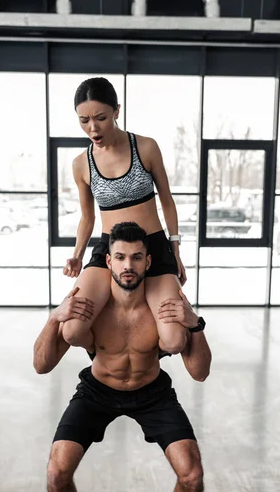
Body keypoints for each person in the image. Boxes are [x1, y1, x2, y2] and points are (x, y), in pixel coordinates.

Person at [34, 222, 212, 492]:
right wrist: (56, 315)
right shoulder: (91, 308)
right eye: (119, 257)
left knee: (192, 474)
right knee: (56, 472)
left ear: (148, 262)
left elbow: (200, 372)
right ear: (108, 263)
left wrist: (196, 324)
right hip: (98, 389)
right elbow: (41, 364)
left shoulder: (163, 306)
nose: (127, 265)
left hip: (152, 391)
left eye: (135, 257)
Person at [61, 76, 188, 356]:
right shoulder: (81, 164)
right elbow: (87, 217)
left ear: (116, 111)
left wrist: (175, 250)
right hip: (110, 248)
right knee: (71, 330)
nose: (92, 127)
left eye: (101, 117)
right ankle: (106, 355)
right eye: (84, 120)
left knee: (176, 340)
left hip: (153, 246)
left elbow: (167, 201)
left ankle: (143, 361)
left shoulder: (146, 147)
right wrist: (78, 254)